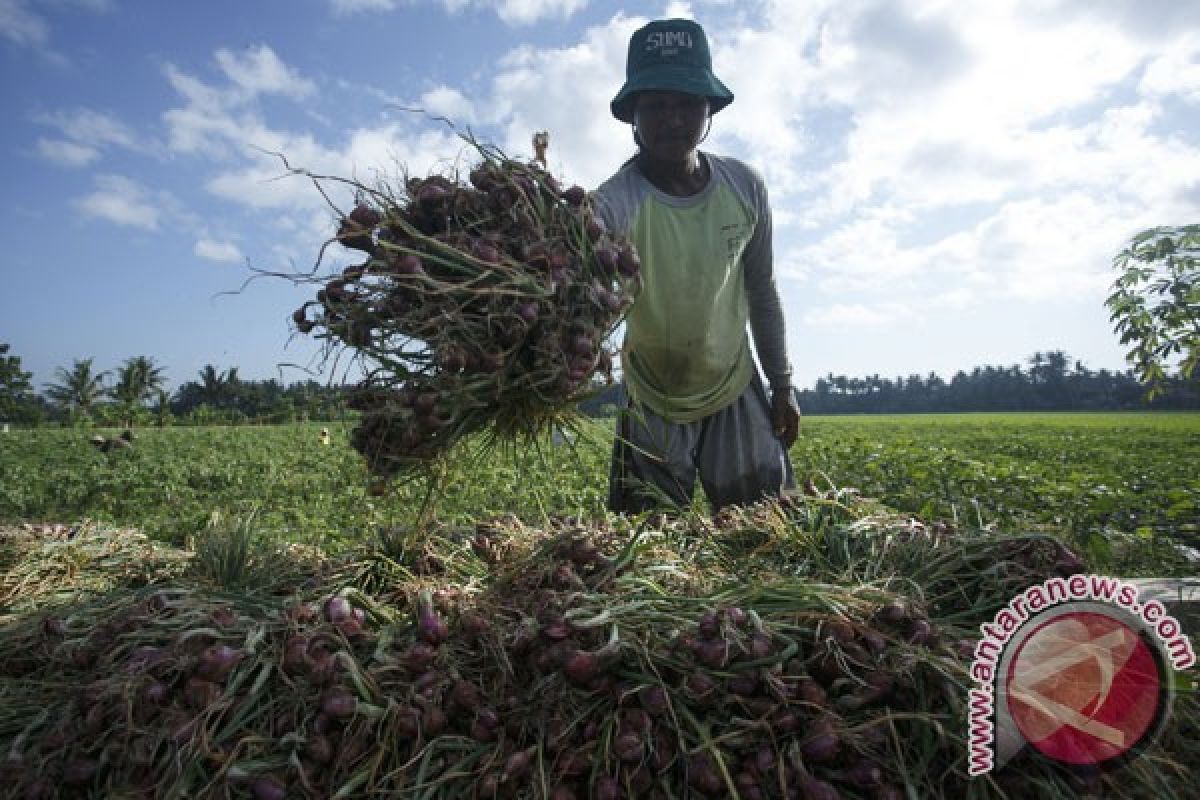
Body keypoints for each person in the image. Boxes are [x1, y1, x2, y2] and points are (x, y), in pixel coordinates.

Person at [591, 17, 801, 514]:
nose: (672, 119)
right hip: (654, 394)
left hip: (732, 383)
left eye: (687, 103)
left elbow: (762, 291)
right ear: (633, 116)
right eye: (656, 106)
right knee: (651, 550)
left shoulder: (744, 188)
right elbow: (576, 289)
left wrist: (783, 383)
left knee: (765, 530)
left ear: (709, 109)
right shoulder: (612, 205)